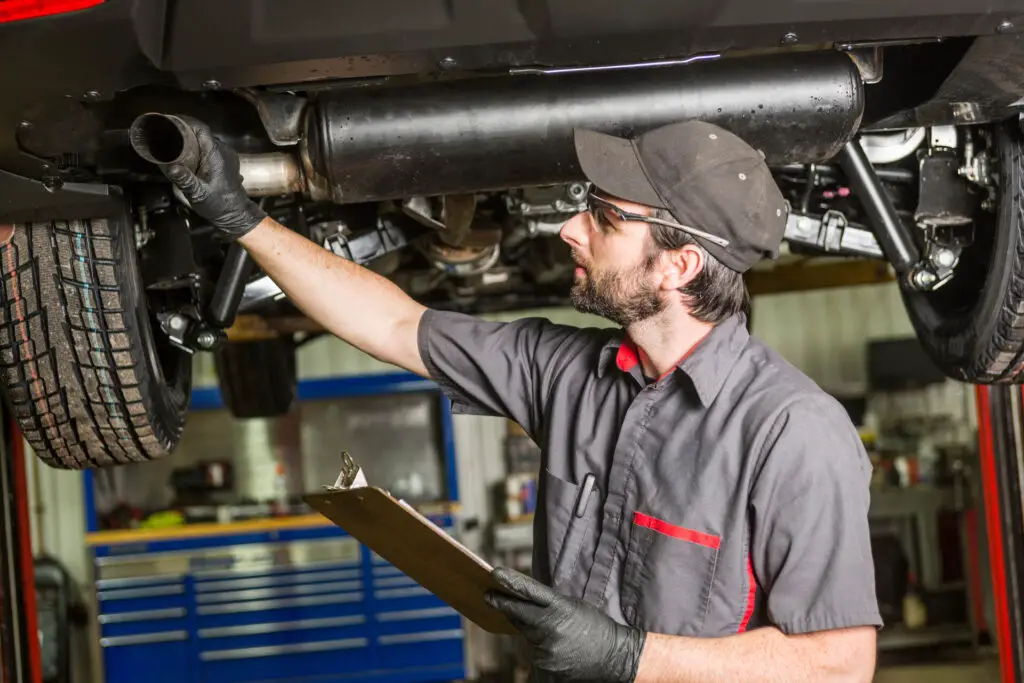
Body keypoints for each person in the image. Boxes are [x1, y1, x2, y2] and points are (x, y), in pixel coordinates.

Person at [161, 118, 882, 683]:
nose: (571, 228)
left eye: (604, 216)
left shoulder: (793, 432)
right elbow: (395, 323)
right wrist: (241, 219)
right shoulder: (566, 372)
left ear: (679, 264)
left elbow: (839, 662)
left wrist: (628, 656)